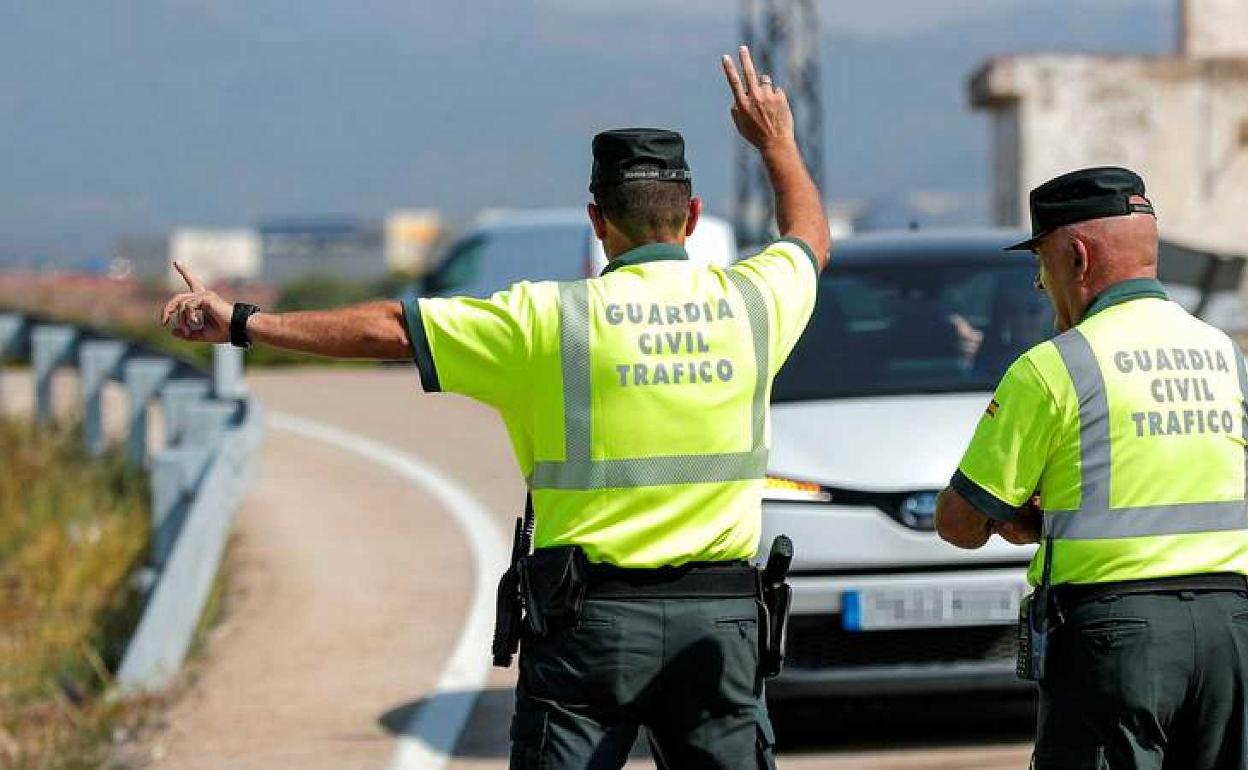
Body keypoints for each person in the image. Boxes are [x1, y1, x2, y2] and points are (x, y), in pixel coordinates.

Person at [161, 45, 830, 770]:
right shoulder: (756, 303)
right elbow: (808, 241)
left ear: (597, 220)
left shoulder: (547, 321)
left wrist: (242, 323)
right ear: (693, 215)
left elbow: (392, 328)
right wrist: (778, 143)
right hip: (720, 627)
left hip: (590, 630)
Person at [933, 166, 1248, 769]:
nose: (1039, 283)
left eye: (1042, 263)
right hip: (1229, 631)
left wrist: (1025, 521)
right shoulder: (1223, 355)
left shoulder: (1056, 367)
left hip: (1116, 639)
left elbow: (961, 522)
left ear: (1076, 257)